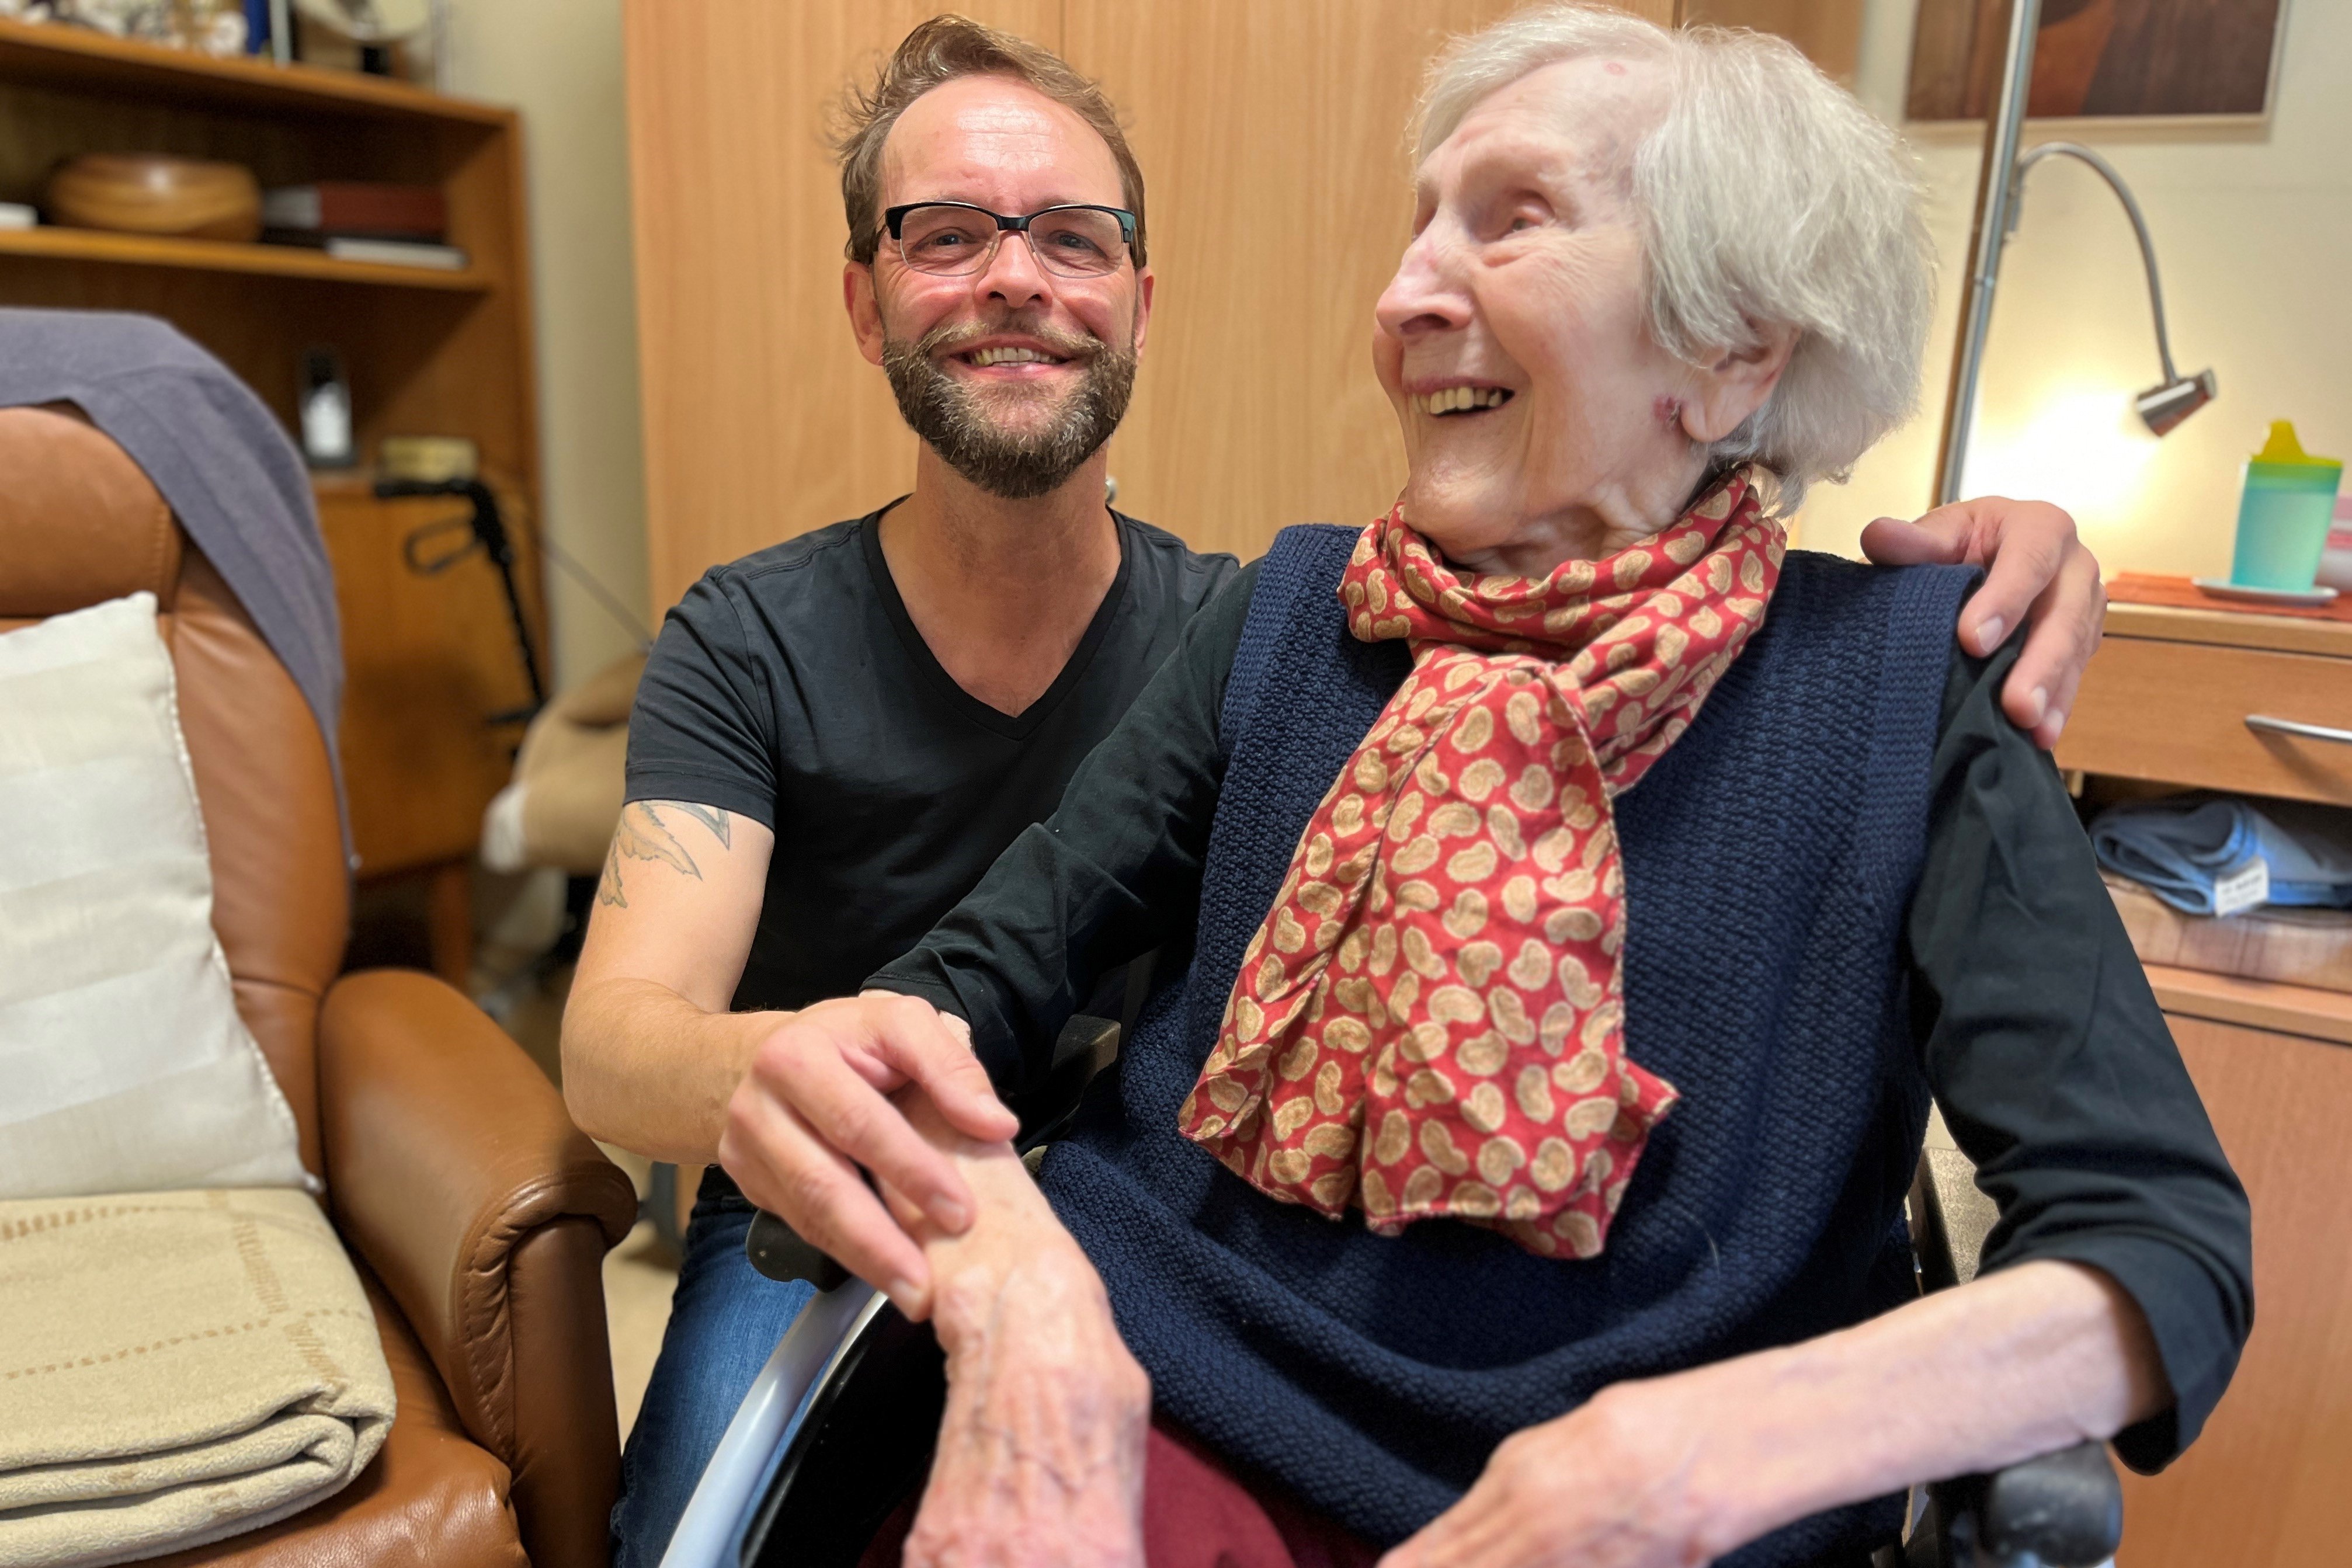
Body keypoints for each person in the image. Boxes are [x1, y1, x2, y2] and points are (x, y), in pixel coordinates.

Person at [566, 15, 2117, 1567]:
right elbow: (829, 1017)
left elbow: (2147, 1238)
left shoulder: (1907, 691)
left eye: (1509, 221)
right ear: (865, 300)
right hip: (1113, 1340)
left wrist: (1703, 1448)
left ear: (1735, 351)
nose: (1399, 295)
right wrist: (1022, 1293)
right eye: (948, 238)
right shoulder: (1281, 622)